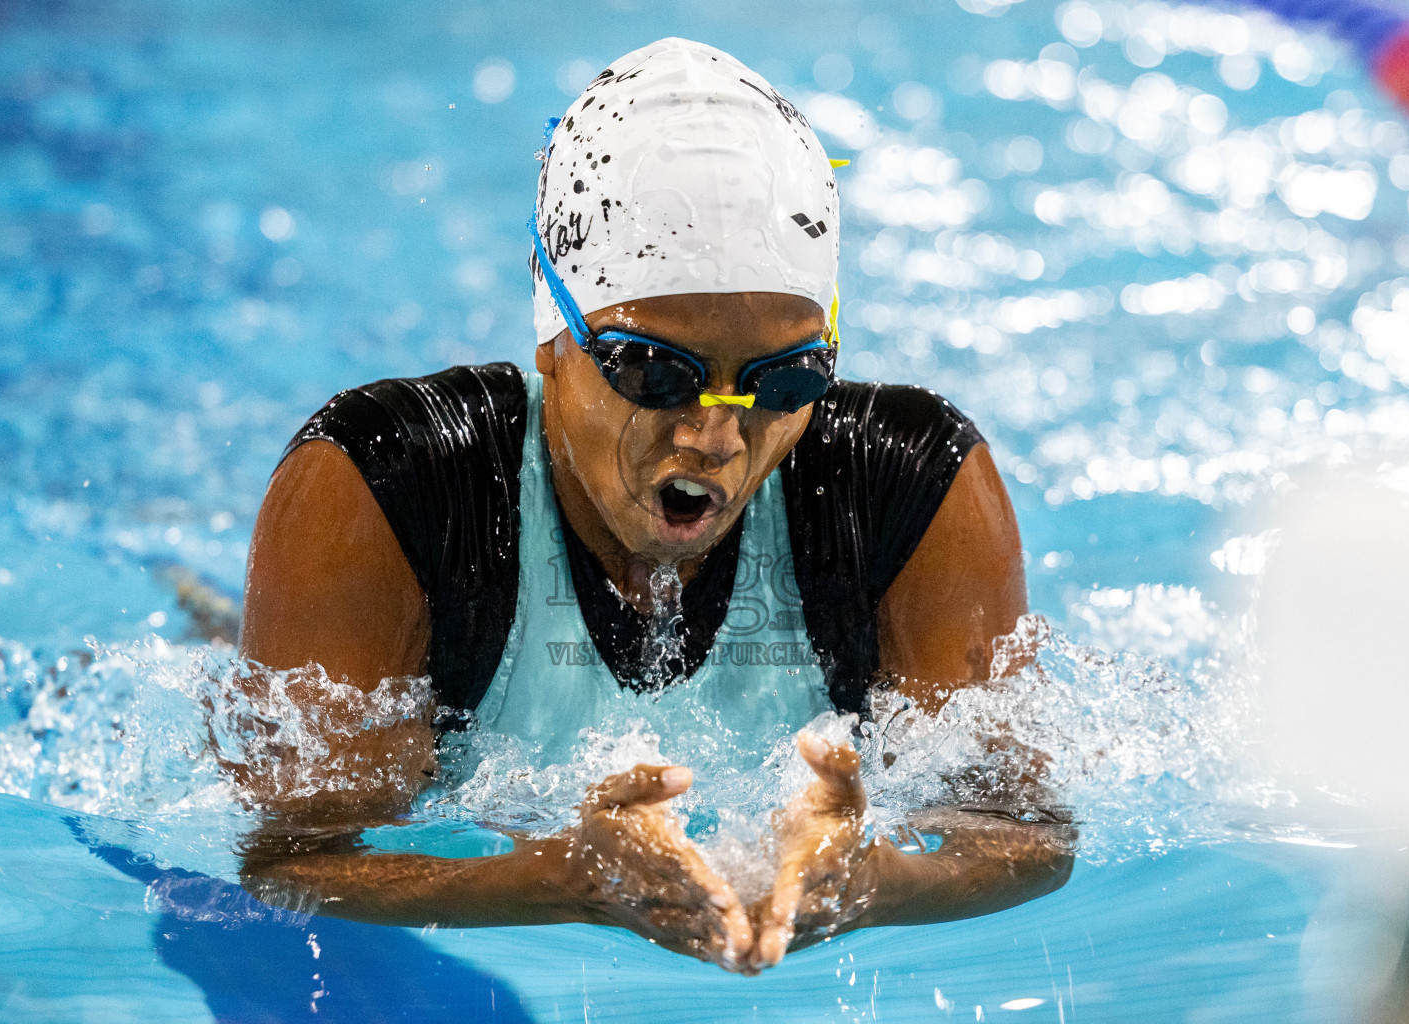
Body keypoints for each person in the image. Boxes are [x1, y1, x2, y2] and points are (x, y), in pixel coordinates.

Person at [235, 38, 1072, 974]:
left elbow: (1024, 836)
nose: (718, 437)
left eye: (785, 377)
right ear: (554, 331)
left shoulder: (910, 485)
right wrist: (559, 880)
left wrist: (875, 882)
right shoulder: (386, 484)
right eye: (654, 369)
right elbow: (288, 860)